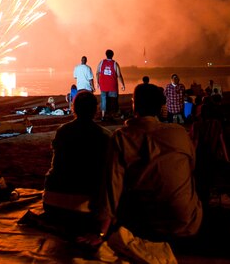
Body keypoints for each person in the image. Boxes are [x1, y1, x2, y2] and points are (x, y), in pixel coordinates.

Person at [81, 82, 202, 247]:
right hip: (189, 223)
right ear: (160, 107)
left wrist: (101, 232)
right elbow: (192, 168)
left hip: (149, 227)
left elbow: (111, 189)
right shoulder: (179, 133)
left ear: (134, 105)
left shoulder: (122, 138)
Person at [43, 90, 111, 234]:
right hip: (86, 206)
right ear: (95, 109)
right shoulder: (104, 136)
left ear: (74, 108)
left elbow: (55, 166)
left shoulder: (62, 131)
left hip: (53, 202)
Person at [96, 49, 125, 121]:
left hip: (103, 86)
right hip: (113, 86)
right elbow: (119, 75)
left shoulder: (101, 62)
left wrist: (97, 82)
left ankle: (103, 116)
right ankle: (111, 115)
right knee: (113, 101)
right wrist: (122, 84)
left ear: (106, 54)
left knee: (103, 100)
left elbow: (97, 73)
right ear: (112, 55)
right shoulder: (115, 64)